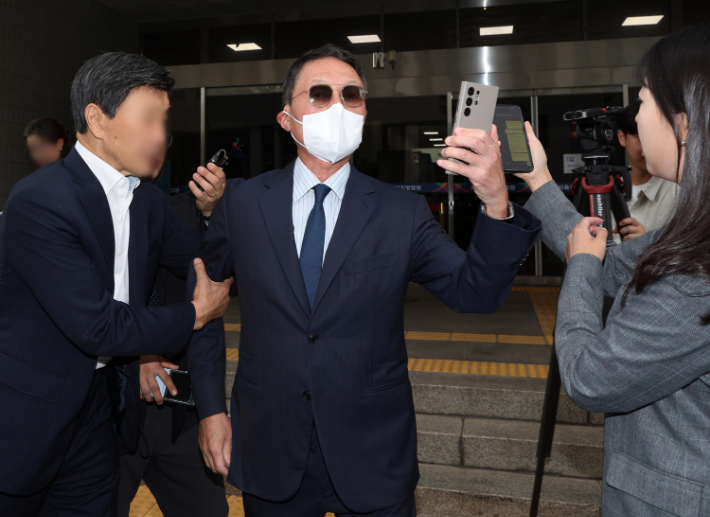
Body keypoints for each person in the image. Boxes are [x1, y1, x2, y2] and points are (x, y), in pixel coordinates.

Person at [189, 43, 541, 517]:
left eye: (351, 95)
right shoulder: (243, 203)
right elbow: (202, 309)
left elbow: (474, 293)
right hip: (269, 443)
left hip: (373, 452)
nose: (338, 106)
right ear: (285, 118)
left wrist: (496, 203)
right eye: (320, 94)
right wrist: (210, 410)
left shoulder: (401, 212)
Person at [444, 26, 710, 516]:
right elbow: (607, 263)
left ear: (685, 122)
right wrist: (537, 177)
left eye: (643, 101)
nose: (635, 118)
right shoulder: (693, 234)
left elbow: (591, 376)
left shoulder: (701, 272)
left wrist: (584, 264)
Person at [0, 52, 233, 516]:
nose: (161, 135)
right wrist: (195, 314)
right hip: (29, 419)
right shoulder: (42, 201)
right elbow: (98, 326)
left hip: (100, 412)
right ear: (97, 120)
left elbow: (200, 262)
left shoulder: (145, 201)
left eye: (163, 121)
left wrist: (212, 214)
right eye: (148, 118)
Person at [116, 149, 230, 517]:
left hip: (178, 409)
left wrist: (211, 212)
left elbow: (217, 273)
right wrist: (138, 354)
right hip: (112, 412)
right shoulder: (78, 212)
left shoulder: (182, 211)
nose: (154, 140)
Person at [613, 100, 678, 242]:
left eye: (654, 138)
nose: (648, 148)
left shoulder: (679, 190)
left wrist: (647, 243)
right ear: (622, 137)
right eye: (640, 138)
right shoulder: (610, 191)